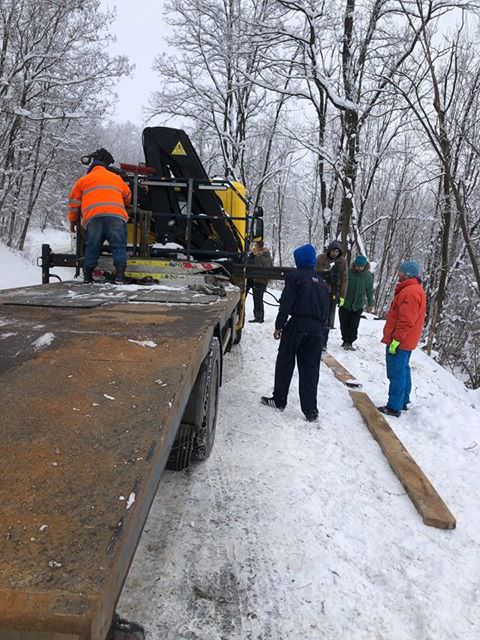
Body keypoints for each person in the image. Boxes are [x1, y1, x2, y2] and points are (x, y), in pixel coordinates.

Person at [261, 244, 330, 422]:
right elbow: (326, 310)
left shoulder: (294, 277)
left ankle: (279, 400)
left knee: (285, 362)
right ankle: (311, 411)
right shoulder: (322, 282)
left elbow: (286, 303)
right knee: (310, 369)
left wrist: (279, 325)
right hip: (317, 330)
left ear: (299, 260)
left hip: (297, 324)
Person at [68, 148, 132, 284]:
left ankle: (88, 276)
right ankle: (120, 276)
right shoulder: (116, 178)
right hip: (116, 217)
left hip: (93, 218)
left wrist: (73, 221)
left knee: (92, 246)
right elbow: (127, 196)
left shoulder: (83, 180)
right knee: (118, 246)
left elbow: (74, 203)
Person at [379, 260, 426, 418]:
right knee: (403, 370)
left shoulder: (410, 293)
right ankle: (403, 401)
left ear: (407, 274)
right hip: (406, 340)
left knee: (396, 373)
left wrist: (396, 340)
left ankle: (394, 406)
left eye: (400, 272)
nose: (398, 274)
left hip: (400, 341)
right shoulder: (413, 289)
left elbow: (406, 320)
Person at [315, 240, 348, 347]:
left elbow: (344, 279)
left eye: (337, 251)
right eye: (333, 251)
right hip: (319, 291)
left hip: (333, 293)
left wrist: (342, 296)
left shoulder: (342, 262)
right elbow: (314, 272)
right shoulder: (320, 258)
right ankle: (314, 339)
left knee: (328, 318)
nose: (335, 253)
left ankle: (323, 342)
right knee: (317, 315)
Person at [339, 254, 374, 350]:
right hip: (345, 303)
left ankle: (349, 341)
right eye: (357, 266)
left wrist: (371, 303)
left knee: (354, 325)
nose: (359, 268)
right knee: (344, 324)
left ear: (364, 266)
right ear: (354, 265)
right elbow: (341, 285)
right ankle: (345, 340)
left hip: (357, 305)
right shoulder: (348, 273)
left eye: (361, 266)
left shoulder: (368, 276)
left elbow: (369, 290)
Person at [249, 240, 273, 323]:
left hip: (260, 280)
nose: (254, 248)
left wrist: (253, 256)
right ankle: (258, 316)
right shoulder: (265, 255)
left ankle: (259, 317)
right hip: (259, 280)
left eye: (255, 246)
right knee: (257, 298)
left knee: (258, 298)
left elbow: (256, 265)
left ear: (259, 247)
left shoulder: (261, 256)